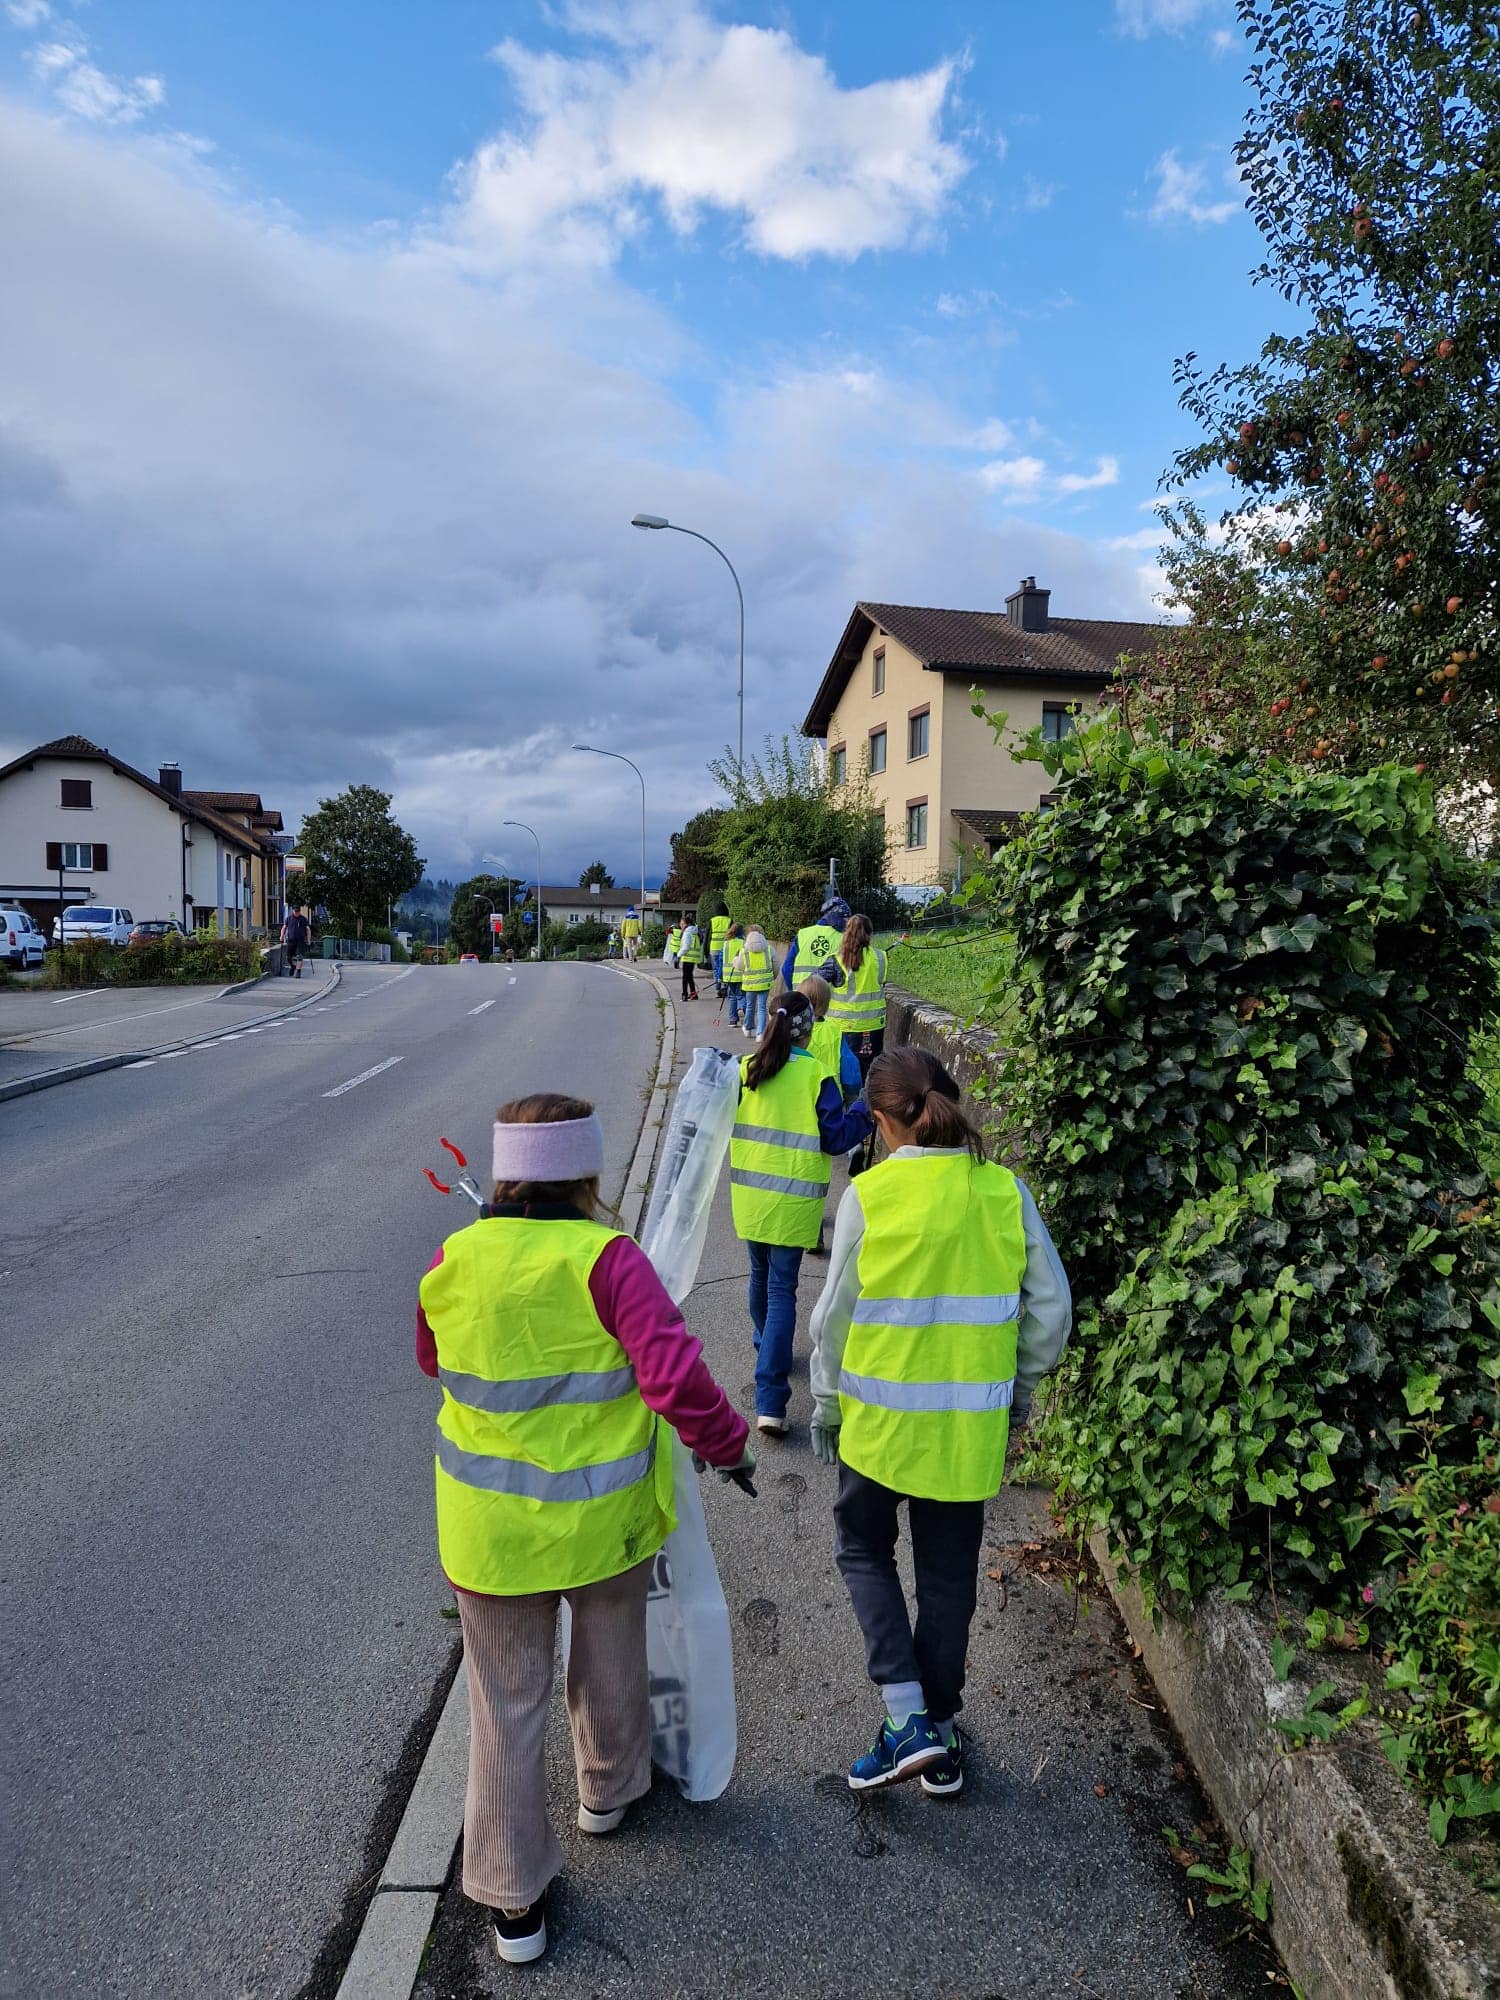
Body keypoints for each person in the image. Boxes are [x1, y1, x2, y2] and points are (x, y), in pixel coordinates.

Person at [417, 1093, 754, 1966]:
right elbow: (675, 1376)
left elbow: (432, 1357)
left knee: (503, 1701)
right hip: (603, 1520)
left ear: (504, 1175)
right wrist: (726, 1447)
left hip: (489, 1533)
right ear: (586, 1173)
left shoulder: (456, 1255)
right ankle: (606, 1793)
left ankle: (512, 1901)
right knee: (610, 1648)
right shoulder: (610, 1260)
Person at [808, 1048, 1071, 1797]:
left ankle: (905, 1718)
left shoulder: (870, 1196)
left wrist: (826, 1403)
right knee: (949, 1577)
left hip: (879, 1431)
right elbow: (1052, 1313)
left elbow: (833, 1321)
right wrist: (1016, 1393)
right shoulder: (1004, 1193)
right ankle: (943, 1732)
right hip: (966, 1433)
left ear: (887, 1121)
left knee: (862, 1549)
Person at [729, 991, 871, 1435]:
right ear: (809, 1029)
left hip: (749, 1198)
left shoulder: (744, 1070)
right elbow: (834, 1139)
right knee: (781, 1291)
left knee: (760, 1277)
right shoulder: (816, 1075)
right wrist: (865, 1112)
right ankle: (769, 1399)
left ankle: (764, 1346)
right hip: (793, 1203)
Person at [827, 914, 889, 1083]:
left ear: (846, 933)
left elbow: (816, 984)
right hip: (874, 1026)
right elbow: (881, 982)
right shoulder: (881, 957)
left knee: (846, 1071)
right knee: (870, 1072)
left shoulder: (836, 961)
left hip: (843, 1028)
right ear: (870, 934)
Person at [779, 889, 851, 991]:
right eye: (846, 919)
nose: (847, 923)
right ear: (837, 917)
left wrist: (792, 990)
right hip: (827, 996)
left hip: (801, 994)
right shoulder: (844, 938)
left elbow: (787, 968)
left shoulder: (803, 934)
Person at [737, 924, 774, 1039]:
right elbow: (776, 965)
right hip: (764, 983)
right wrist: (772, 977)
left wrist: (735, 959)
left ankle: (748, 1029)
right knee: (762, 1007)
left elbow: (739, 966)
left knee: (750, 1006)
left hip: (750, 984)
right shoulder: (768, 948)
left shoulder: (744, 951)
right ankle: (760, 1033)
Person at [721, 922, 746, 1031]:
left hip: (728, 976)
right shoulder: (744, 944)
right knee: (741, 995)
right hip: (741, 974)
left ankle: (732, 1020)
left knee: (731, 997)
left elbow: (720, 960)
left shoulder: (726, 944)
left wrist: (719, 976)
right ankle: (741, 1008)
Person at [708, 909, 731, 996]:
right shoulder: (729, 920)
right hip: (726, 948)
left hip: (714, 948)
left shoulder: (712, 920)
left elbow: (707, 935)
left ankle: (717, 987)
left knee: (715, 968)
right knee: (724, 967)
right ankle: (725, 987)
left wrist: (705, 951)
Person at [677, 920, 703, 1000]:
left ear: (687, 924)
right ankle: (693, 993)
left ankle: (684, 994)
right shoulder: (694, 932)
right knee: (689, 977)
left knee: (685, 977)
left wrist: (678, 955)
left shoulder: (687, 933)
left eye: (682, 924)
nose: (680, 925)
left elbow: (686, 947)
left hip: (687, 957)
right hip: (693, 958)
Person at [279, 906, 308, 977]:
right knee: (288, 957)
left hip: (300, 941)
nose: (296, 913)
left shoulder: (303, 919)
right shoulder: (289, 918)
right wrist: (282, 936)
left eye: (298, 911)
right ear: (293, 911)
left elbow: (308, 929)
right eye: (295, 911)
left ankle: (298, 972)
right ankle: (293, 966)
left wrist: (308, 939)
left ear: (300, 911)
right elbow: (284, 927)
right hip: (291, 941)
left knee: (299, 956)